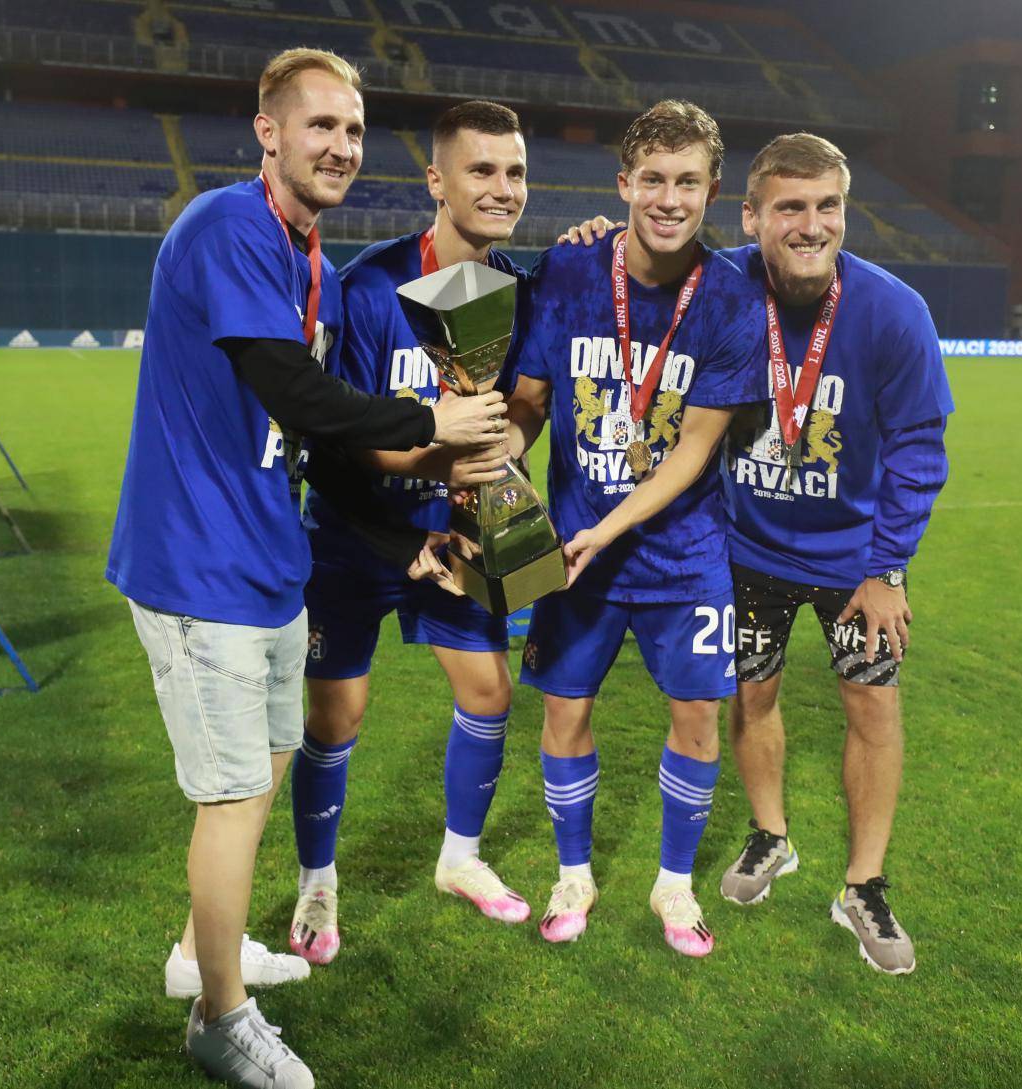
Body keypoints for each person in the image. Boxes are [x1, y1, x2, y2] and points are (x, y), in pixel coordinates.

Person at [106, 48, 507, 1089]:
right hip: (198, 565)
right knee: (235, 796)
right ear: (267, 131)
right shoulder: (231, 227)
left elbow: (318, 448)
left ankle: (207, 948)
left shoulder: (302, 250)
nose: (338, 145)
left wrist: (399, 541)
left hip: (265, 559)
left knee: (273, 757)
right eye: (318, 124)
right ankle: (217, 1017)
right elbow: (295, 390)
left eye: (354, 129)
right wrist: (432, 416)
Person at [557, 133, 953, 973]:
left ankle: (865, 884)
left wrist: (887, 569)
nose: (811, 225)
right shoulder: (722, 281)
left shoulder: (893, 310)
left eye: (828, 207)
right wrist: (592, 240)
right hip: (745, 549)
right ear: (753, 215)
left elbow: (920, 448)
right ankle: (769, 836)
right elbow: (644, 260)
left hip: (856, 563)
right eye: (791, 207)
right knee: (752, 696)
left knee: (872, 708)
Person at [506, 100, 767, 959]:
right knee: (564, 711)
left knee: (696, 713)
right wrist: (491, 471)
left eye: (687, 182)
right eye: (651, 179)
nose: (668, 198)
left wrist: (604, 526)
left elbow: (695, 451)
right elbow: (532, 405)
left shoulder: (731, 300)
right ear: (622, 184)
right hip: (574, 550)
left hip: (683, 554)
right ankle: (573, 872)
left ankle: (674, 884)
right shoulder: (568, 271)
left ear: (713, 192)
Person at [287, 100, 536, 965]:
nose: (502, 189)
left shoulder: (520, 292)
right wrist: (441, 459)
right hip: (357, 537)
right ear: (437, 180)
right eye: (482, 170)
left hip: (458, 539)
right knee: (336, 711)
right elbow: (333, 440)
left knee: (488, 692)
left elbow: (525, 413)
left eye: (514, 173)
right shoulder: (366, 289)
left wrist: (496, 457)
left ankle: (460, 859)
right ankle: (317, 880)